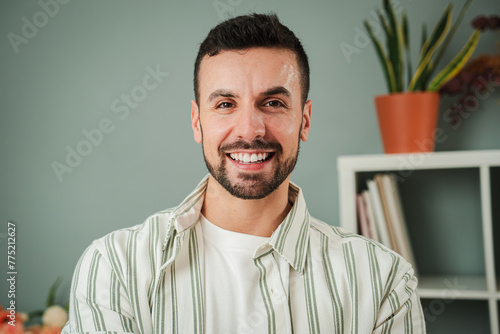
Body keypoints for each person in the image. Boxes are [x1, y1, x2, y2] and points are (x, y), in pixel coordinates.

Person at [62, 13, 425, 334]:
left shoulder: (383, 281)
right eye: (225, 104)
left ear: (305, 119)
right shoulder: (114, 268)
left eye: (273, 103)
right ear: (196, 121)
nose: (249, 130)